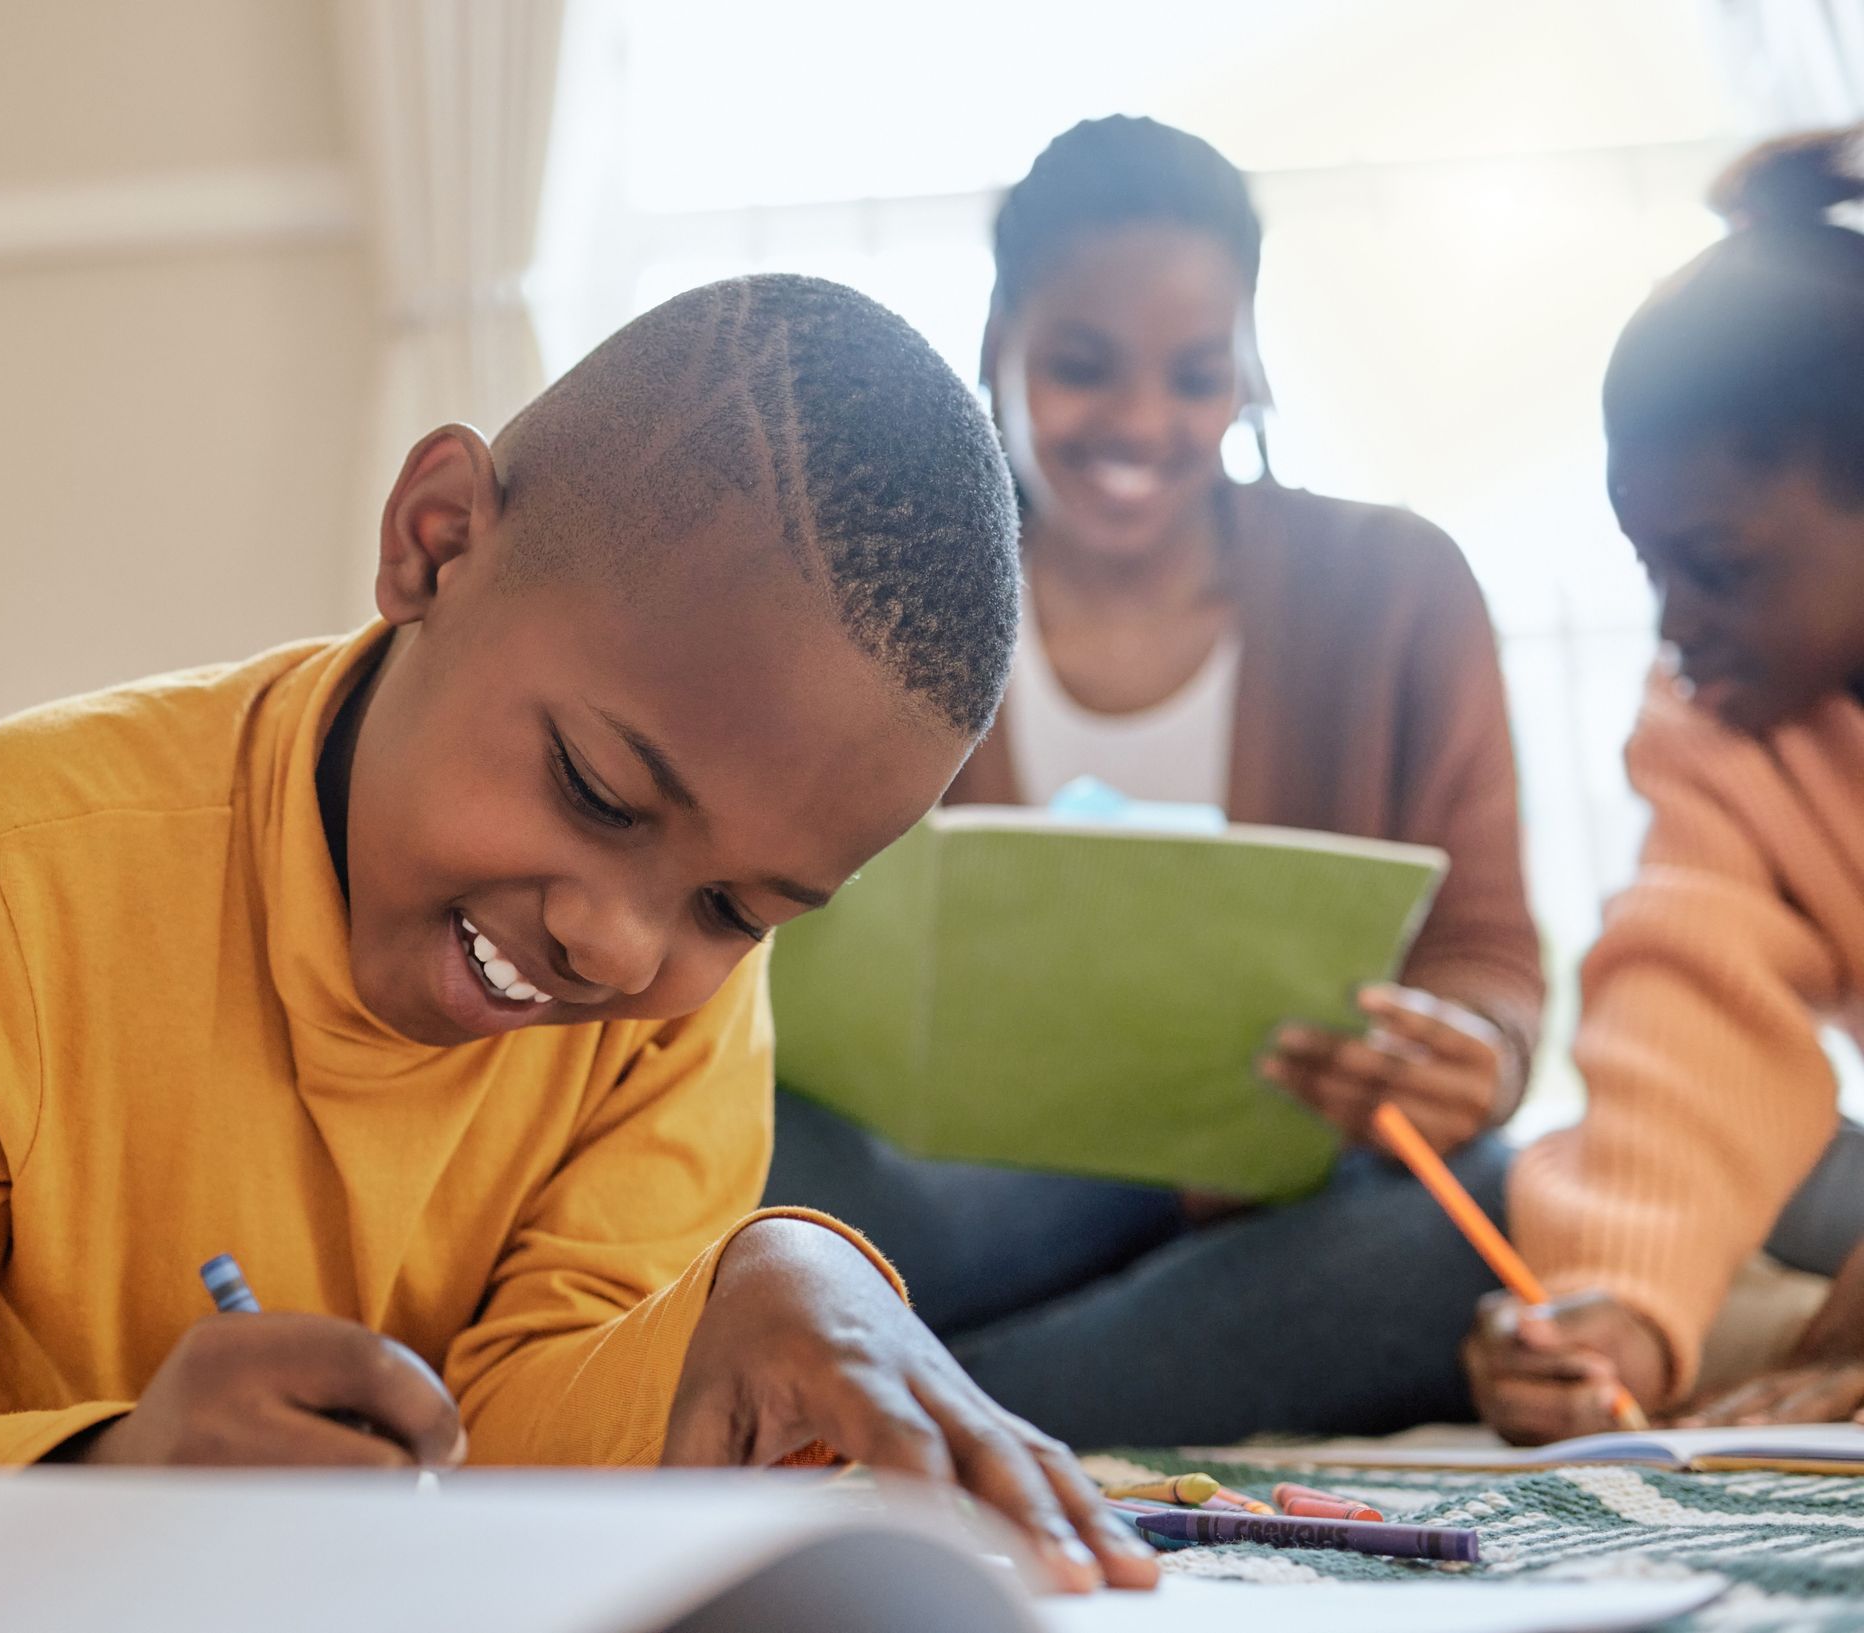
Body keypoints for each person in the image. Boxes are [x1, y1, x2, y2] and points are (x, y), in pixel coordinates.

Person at [0, 274, 1156, 1591]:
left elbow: (513, 1424)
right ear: (433, 539)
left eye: (736, 910)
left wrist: (744, 1295)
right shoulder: (18, 854)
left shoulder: (676, 1009)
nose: (620, 949)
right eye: (596, 789)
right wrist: (113, 1462)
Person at [766, 116, 1544, 1448]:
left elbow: (1491, 964)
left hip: (1267, 1188)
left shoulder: (1398, 590)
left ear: (1249, 359)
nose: (1140, 423)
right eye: (1081, 367)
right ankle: (945, 1383)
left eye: (1196, 375)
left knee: (1487, 1212)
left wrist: (1467, 1054)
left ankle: (873, 1398)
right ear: (1000, 339)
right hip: (946, 1188)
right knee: (763, 1165)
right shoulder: (873, 604)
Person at [1467, 126, 1864, 1444]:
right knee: (1792, 1186)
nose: (1676, 627)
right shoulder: (1719, 721)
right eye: (1653, 569)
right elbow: (1691, 1012)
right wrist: (1624, 1309)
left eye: (1724, 567)